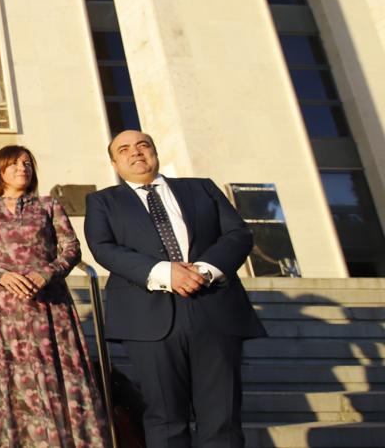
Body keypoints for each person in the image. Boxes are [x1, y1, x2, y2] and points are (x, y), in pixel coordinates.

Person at [85, 130, 265, 447]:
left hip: (214, 311)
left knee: (221, 416)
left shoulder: (202, 188)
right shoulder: (103, 202)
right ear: (114, 162)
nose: (136, 153)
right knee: (165, 417)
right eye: (124, 149)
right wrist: (166, 273)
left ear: (155, 152)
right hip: (148, 319)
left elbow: (238, 235)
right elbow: (103, 248)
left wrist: (203, 271)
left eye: (143, 145)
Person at [0, 145, 109, 446]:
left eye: (27, 163)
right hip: (5, 309)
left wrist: (45, 274)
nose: (22, 168)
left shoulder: (48, 206)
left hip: (50, 305)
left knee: (57, 374)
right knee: (15, 377)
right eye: (14, 164)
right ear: (0, 171)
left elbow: (72, 248)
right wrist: (2, 276)